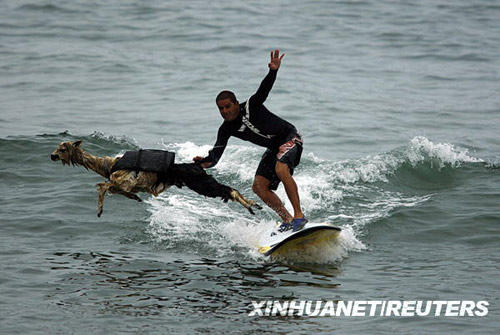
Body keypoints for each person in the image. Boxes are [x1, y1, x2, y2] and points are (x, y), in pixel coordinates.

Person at [193, 50, 307, 232]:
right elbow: (216, 155)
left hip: (290, 138)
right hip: (273, 148)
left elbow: (264, 89)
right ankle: (287, 219)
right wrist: (203, 163)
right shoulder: (225, 129)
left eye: (228, 106)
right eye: (220, 109)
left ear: (236, 104)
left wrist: (273, 71)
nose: (224, 111)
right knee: (259, 187)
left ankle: (299, 216)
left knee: (281, 168)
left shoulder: (251, 106)